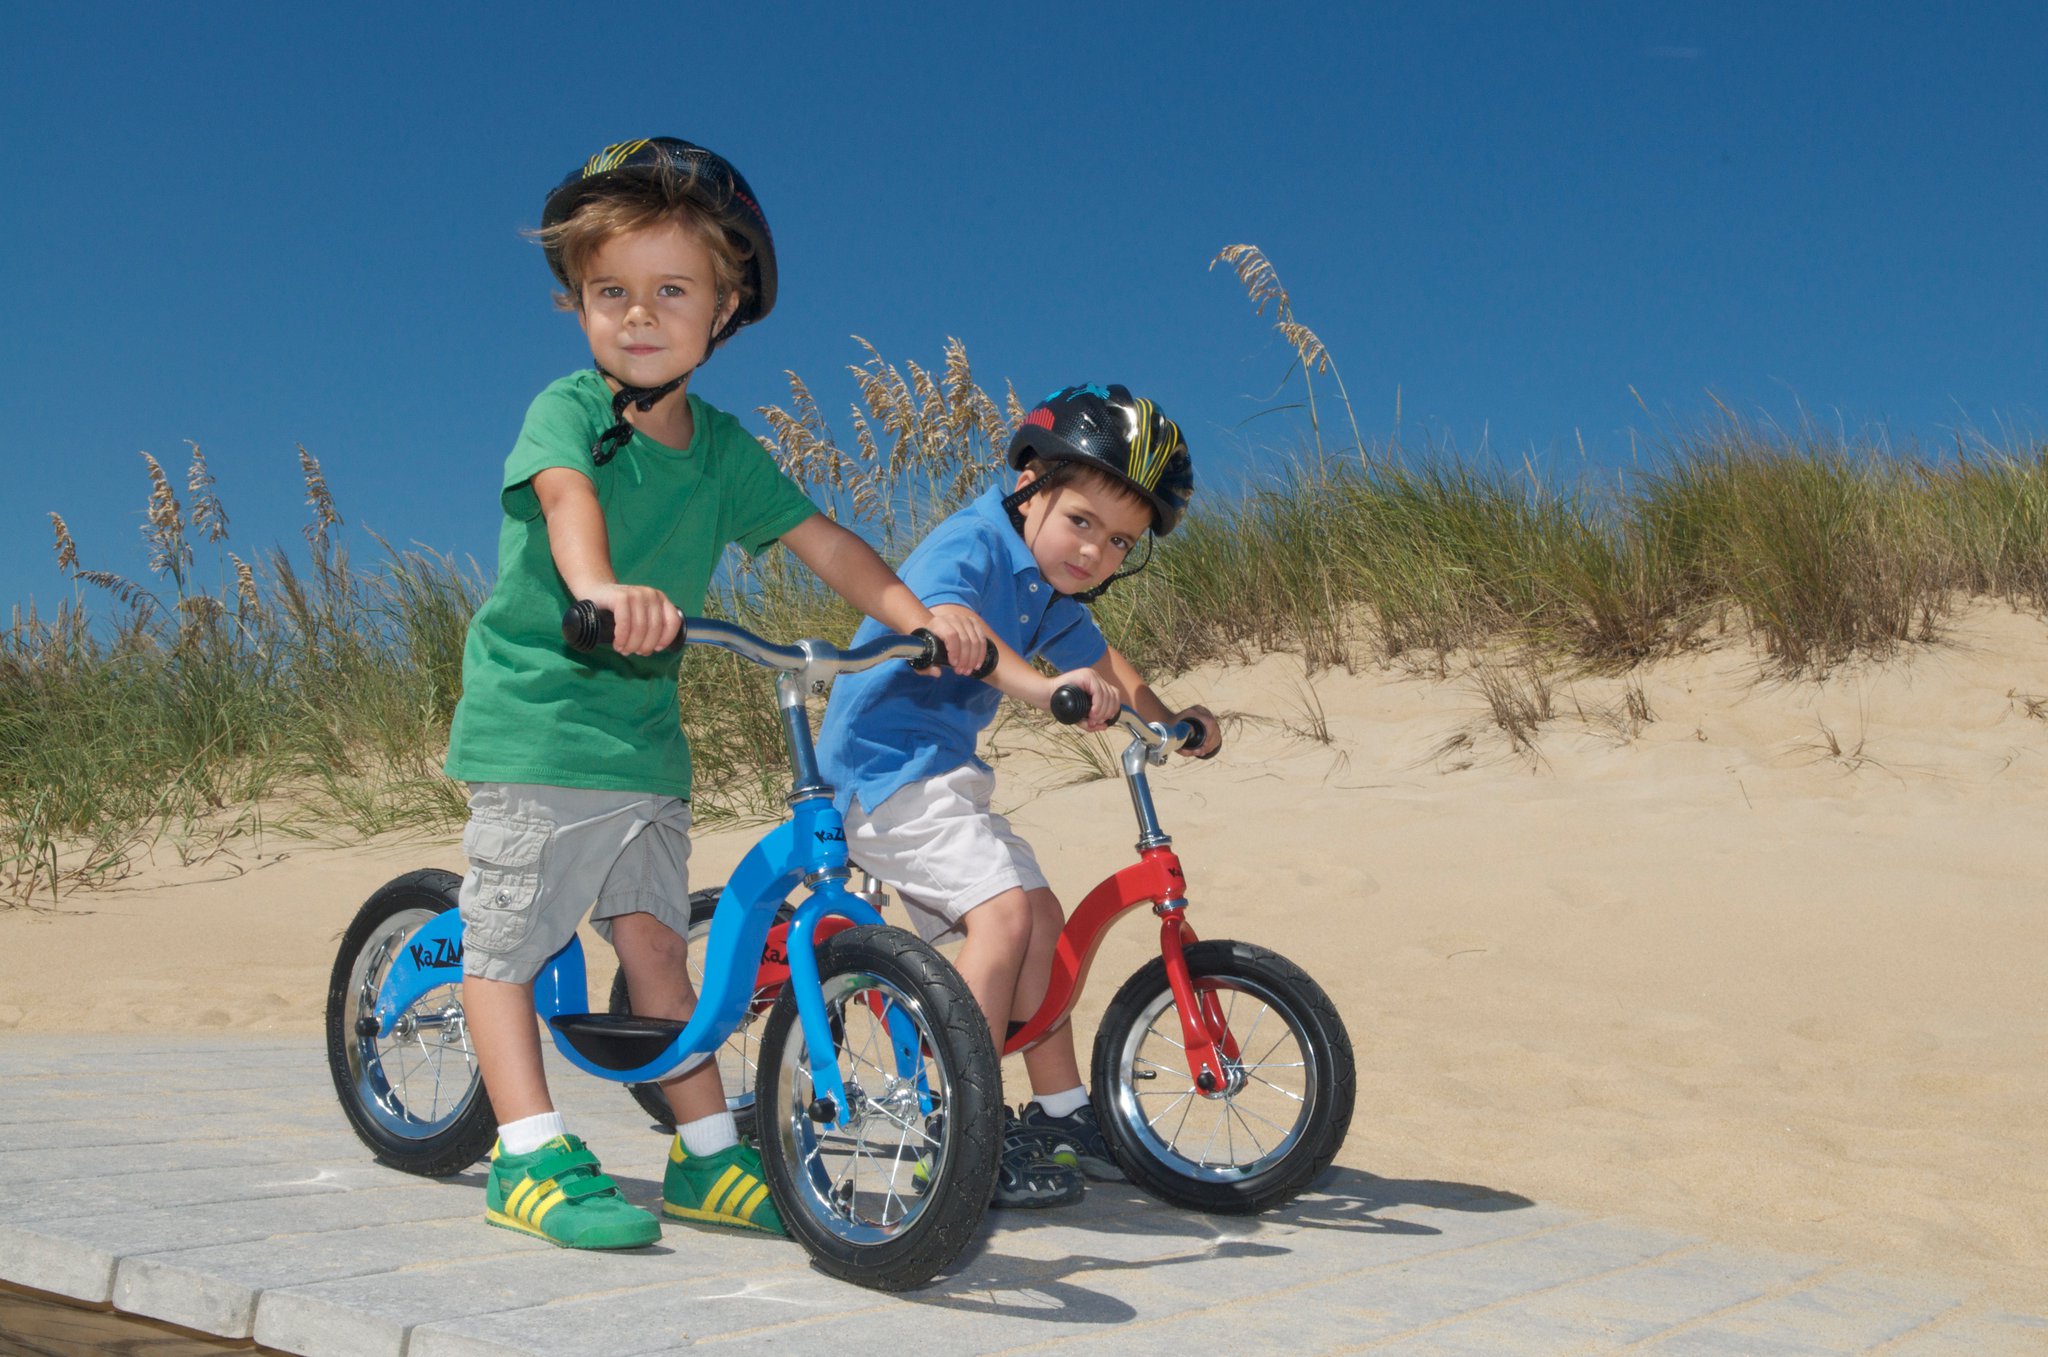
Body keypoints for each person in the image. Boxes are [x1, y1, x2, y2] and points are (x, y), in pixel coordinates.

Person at [442, 137, 988, 1250]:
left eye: (670, 290)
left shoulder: (727, 450)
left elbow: (818, 540)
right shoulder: (568, 411)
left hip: (641, 737)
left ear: (726, 305)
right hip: (541, 723)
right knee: (506, 941)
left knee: (654, 945)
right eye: (610, 292)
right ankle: (526, 1149)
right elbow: (565, 503)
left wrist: (911, 613)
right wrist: (599, 588)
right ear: (578, 303)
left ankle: (700, 1157)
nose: (638, 316)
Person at [815, 383, 1221, 1207]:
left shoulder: (1049, 588)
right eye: (1081, 522)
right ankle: (960, 1126)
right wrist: (1041, 689)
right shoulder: (970, 542)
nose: (1093, 554)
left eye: (1119, 543)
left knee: (1039, 920)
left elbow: (1109, 664)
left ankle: (1064, 1111)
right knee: (1002, 914)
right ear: (1029, 480)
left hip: (945, 779)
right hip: (883, 770)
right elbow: (951, 620)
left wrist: (1166, 716)